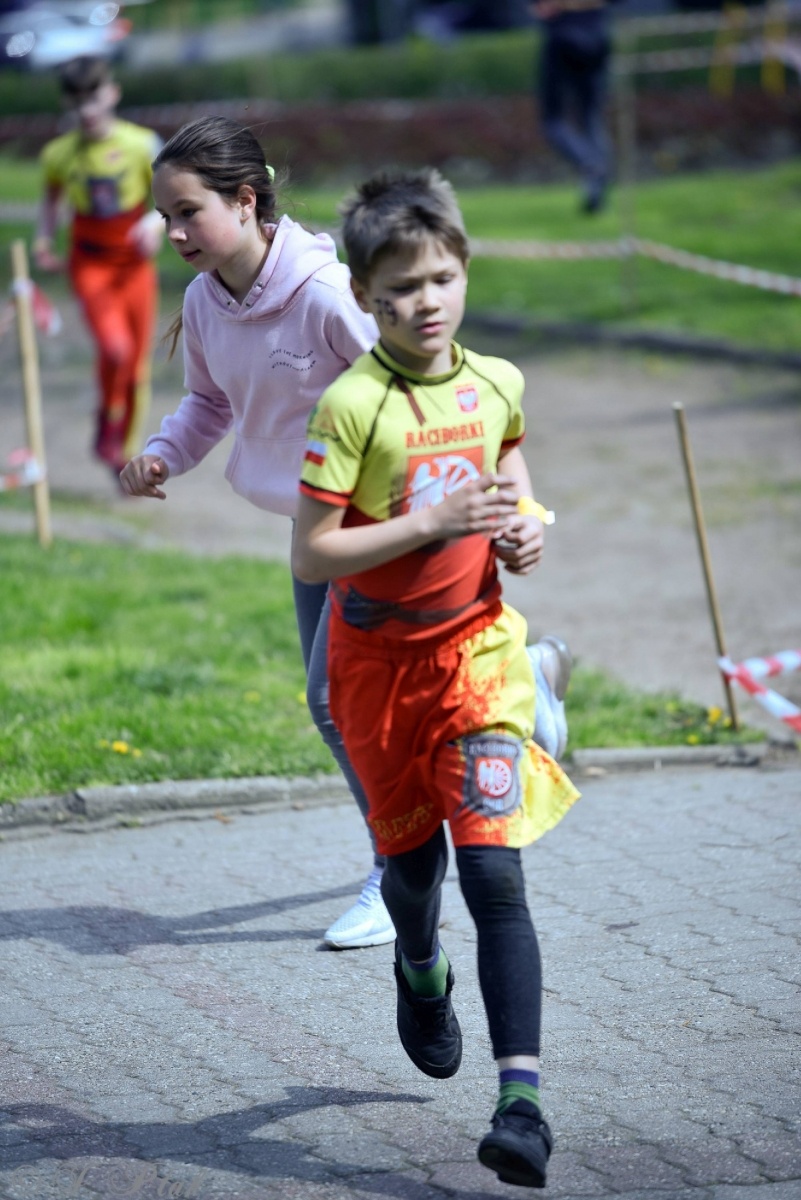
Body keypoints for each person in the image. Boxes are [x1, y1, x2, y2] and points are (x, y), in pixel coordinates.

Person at [292, 167, 580, 1188]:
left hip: (479, 657)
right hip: (377, 670)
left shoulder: (497, 381)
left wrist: (528, 531)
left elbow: (514, 481)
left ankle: (523, 1106)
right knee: (414, 878)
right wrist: (423, 525)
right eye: (404, 286)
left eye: (443, 278)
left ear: (466, 273)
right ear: (367, 295)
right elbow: (312, 555)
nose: (427, 302)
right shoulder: (352, 404)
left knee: (495, 872)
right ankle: (420, 968)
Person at [118, 115, 395, 951]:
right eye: (165, 216)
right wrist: (163, 453)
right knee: (334, 708)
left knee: (331, 700)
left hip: (373, 520)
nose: (172, 233)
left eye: (187, 212)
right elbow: (209, 402)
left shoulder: (320, 295)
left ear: (245, 201)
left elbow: (402, 387)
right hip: (308, 524)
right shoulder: (205, 298)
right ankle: (524, 693)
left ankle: (400, 868)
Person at [34, 56, 164, 478]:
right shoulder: (58, 154)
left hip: (135, 267)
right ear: (67, 104)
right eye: (76, 101)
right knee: (115, 348)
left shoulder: (144, 144)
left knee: (136, 364)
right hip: (90, 263)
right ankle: (107, 423)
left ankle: (122, 449)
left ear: (112, 93)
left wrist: (151, 220)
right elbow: (51, 203)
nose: (86, 110)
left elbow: (172, 197)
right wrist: (43, 239)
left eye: (93, 97)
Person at [532, 0, 613, 214]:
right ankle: (597, 179)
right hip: (597, 37)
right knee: (590, 116)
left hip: (563, 40)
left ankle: (591, 165)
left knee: (553, 121)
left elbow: (542, 10)